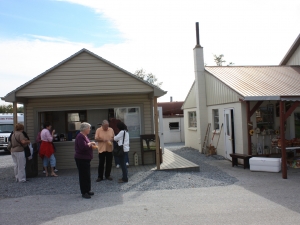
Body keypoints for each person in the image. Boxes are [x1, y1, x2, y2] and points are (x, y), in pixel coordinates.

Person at [74, 122, 97, 199]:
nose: (89, 129)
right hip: (81, 159)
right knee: (83, 175)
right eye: (89, 128)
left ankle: (87, 190)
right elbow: (82, 147)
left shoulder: (85, 136)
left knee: (87, 175)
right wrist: (90, 144)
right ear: (85, 129)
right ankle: (84, 192)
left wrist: (91, 144)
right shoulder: (80, 136)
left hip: (86, 158)